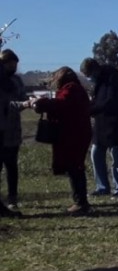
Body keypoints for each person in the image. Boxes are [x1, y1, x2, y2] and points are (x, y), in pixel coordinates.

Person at [33, 67, 94, 215]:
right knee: (75, 167)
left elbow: (61, 104)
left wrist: (42, 103)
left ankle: (81, 202)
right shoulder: (76, 89)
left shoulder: (71, 89)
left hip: (74, 134)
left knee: (75, 167)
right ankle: (80, 201)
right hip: (77, 133)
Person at [79, 57, 118, 198]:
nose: (89, 79)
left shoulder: (113, 78)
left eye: (89, 75)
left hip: (116, 123)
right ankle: (102, 187)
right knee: (96, 154)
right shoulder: (100, 81)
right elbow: (97, 99)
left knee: (117, 158)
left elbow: (110, 101)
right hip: (101, 124)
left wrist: (90, 110)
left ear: (94, 70)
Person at [0, 50, 33, 212]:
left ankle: (12, 197)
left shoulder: (17, 81)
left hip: (13, 129)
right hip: (2, 127)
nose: (13, 67)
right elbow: (6, 104)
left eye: (15, 64)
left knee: (12, 165)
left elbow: (21, 98)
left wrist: (28, 102)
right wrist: (21, 105)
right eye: (10, 64)